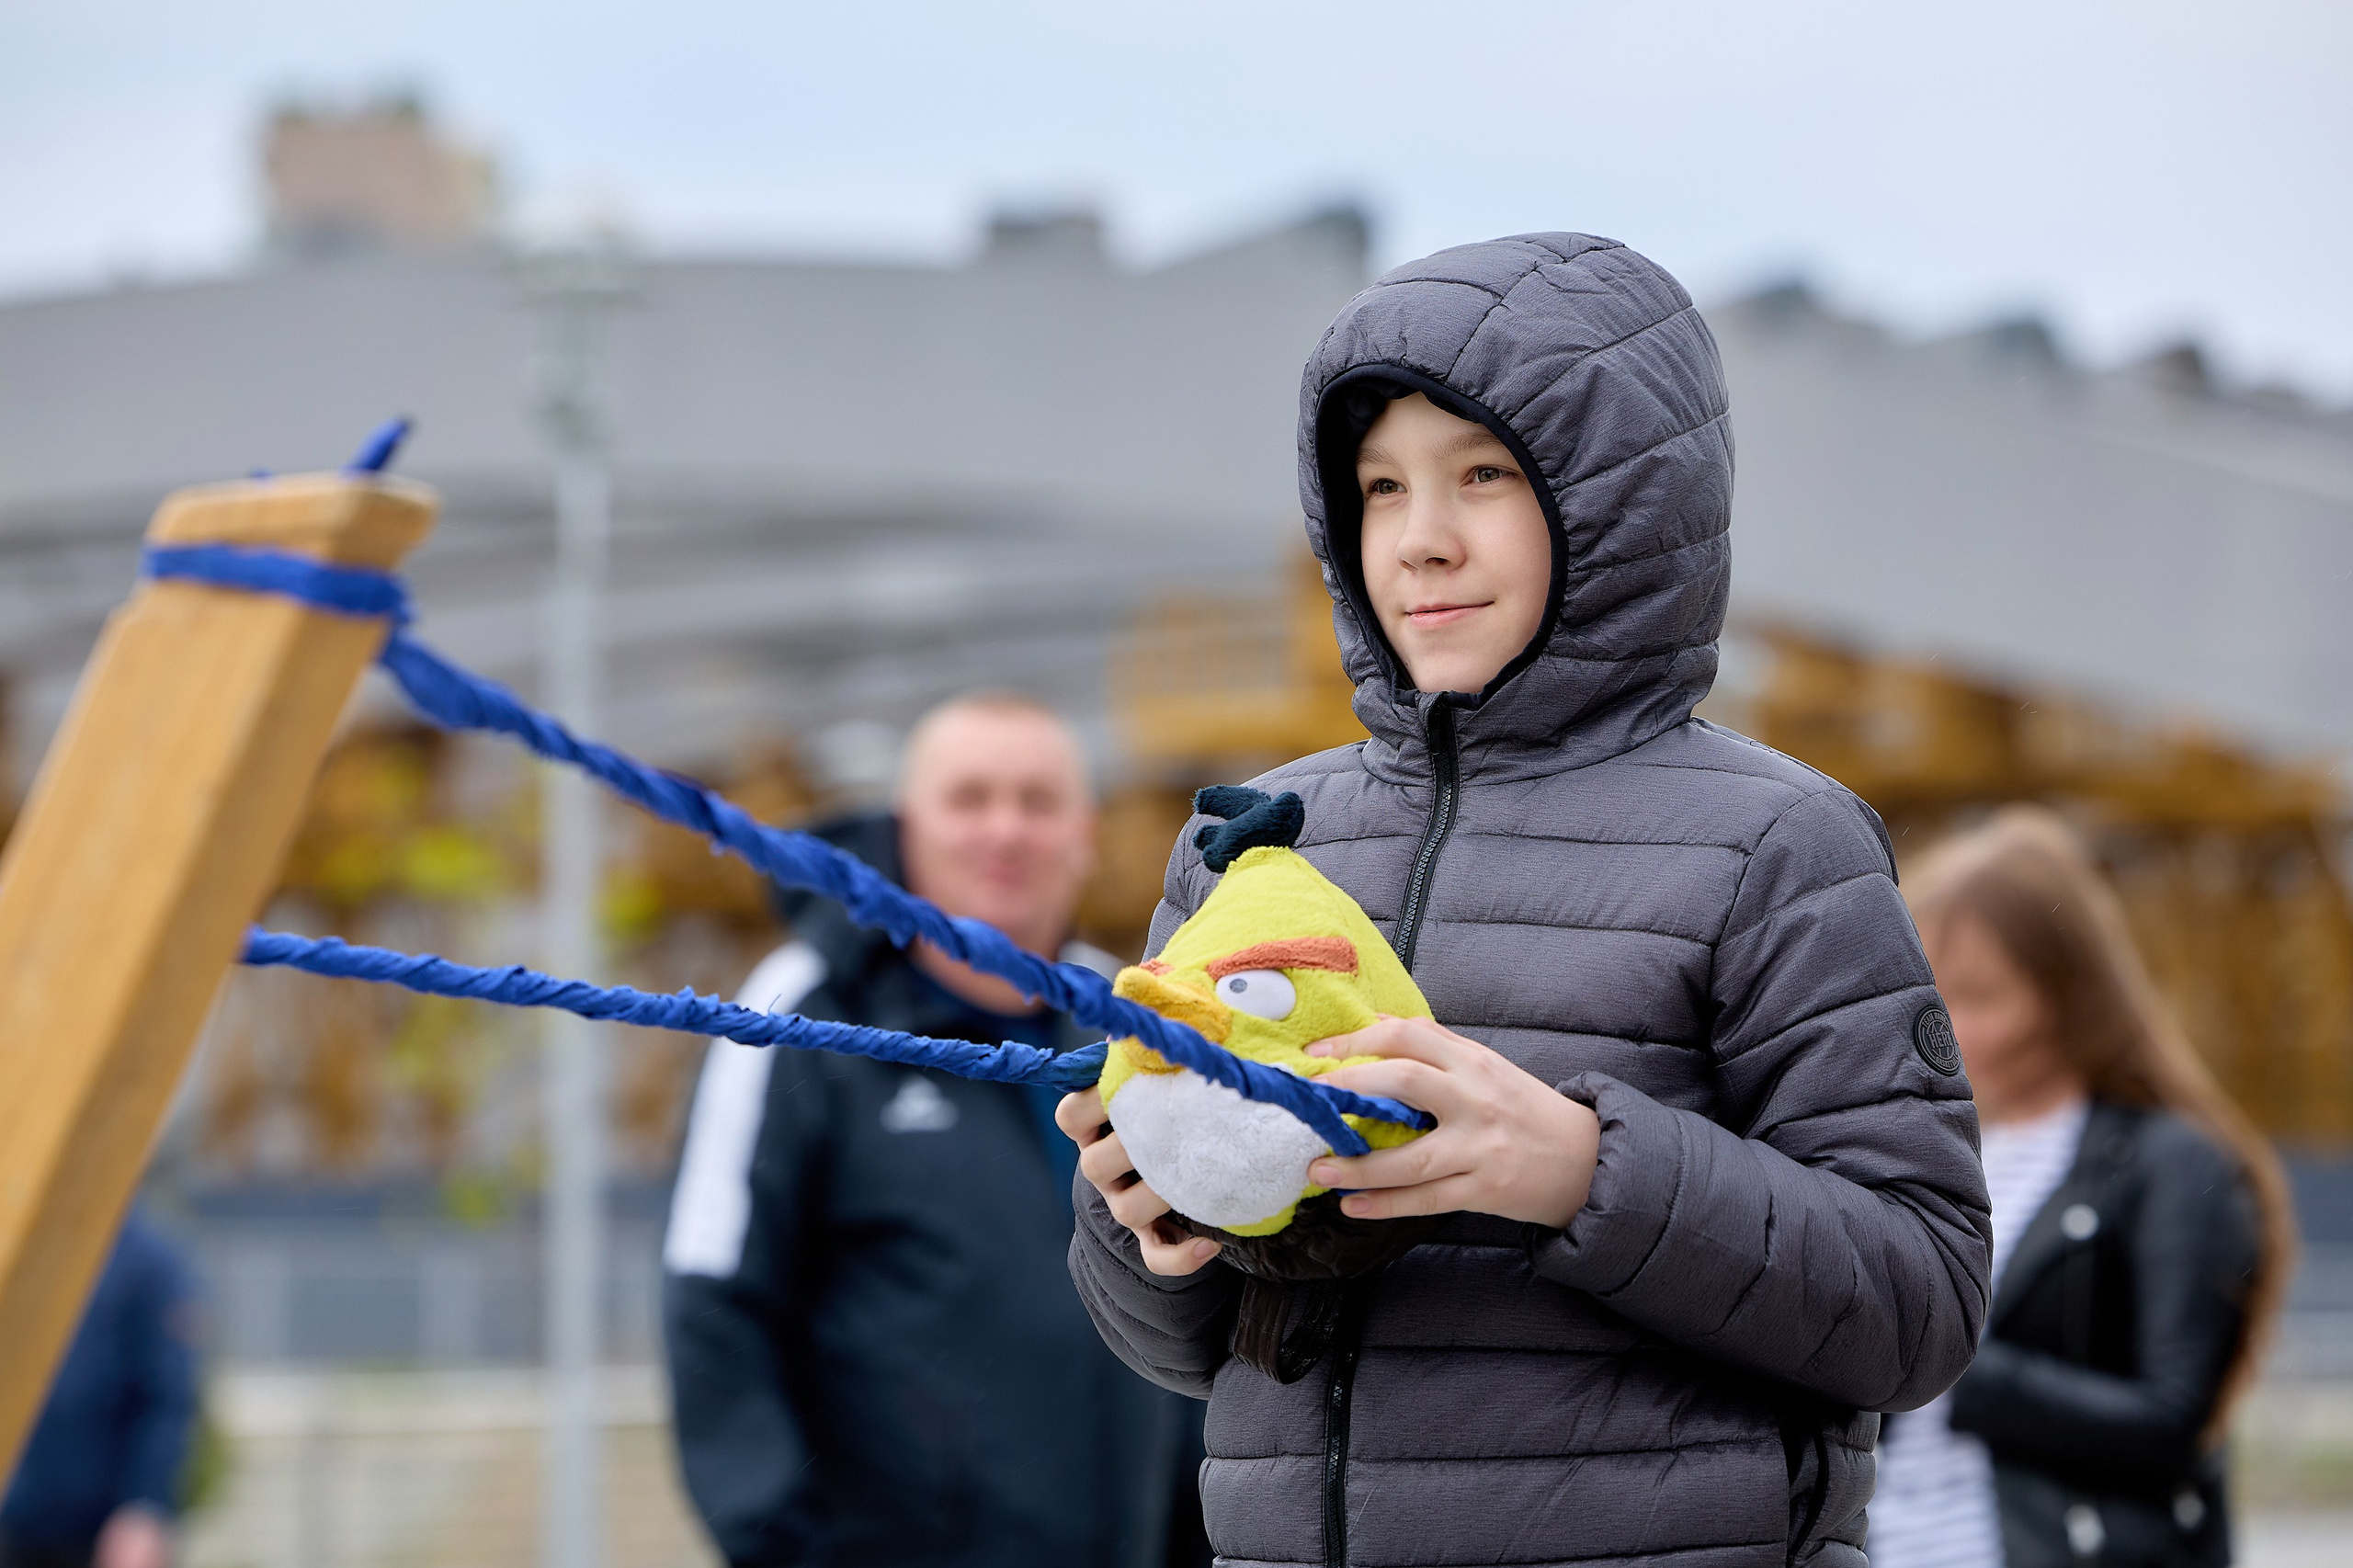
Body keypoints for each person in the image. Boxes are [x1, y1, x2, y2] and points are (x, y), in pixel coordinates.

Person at [1059, 233, 1995, 1568]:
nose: (1422, 541)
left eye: (1482, 474)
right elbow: (1188, 1360)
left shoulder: (1779, 842)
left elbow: (1923, 1300)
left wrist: (1580, 1170)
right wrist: (1146, 1224)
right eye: (1380, 488)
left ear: (1625, 496)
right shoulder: (1251, 844)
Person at [663, 693, 1209, 1568]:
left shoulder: (1134, 1023)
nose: (1006, 831)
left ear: (1086, 834)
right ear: (906, 829)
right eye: (970, 799)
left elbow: (1198, 1293)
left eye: (1037, 802)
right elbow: (715, 1300)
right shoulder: (799, 1014)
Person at [1869, 808, 2294, 1568]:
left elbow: (2174, 1418)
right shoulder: (1915, 1156)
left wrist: (1948, 1364)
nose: (1950, 1032)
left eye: (1983, 997)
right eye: (1931, 999)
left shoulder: (2174, 1164)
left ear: (2070, 991)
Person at [0, 1208, 199, 1568]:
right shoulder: (22, 1238)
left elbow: (166, 1399)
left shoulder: (146, 1262)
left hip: (100, 1530)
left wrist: (145, 1507)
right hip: (17, 1518)